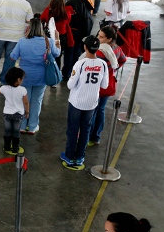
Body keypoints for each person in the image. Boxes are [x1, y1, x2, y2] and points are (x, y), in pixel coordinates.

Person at [60, 35, 108, 169]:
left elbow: (70, 85)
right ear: (97, 48)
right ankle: (80, 156)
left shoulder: (80, 63)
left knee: (73, 129)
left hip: (77, 102)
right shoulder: (103, 64)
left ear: (85, 47)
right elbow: (104, 85)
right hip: (92, 102)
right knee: (86, 130)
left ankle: (69, 156)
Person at [10, 18, 60, 135]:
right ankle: (32, 126)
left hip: (24, 77)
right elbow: (57, 53)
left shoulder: (22, 41)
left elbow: (13, 56)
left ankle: (22, 125)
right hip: (41, 77)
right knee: (37, 101)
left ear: (29, 28)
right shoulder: (48, 42)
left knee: (24, 100)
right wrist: (57, 40)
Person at [87, 26, 126, 146]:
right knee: (101, 110)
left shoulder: (99, 52)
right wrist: (112, 71)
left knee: (91, 112)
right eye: (98, 35)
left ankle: (87, 137)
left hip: (96, 85)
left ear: (109, 39)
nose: (98, 38)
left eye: (101, 37)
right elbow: (123, 60)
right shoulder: (117, 49)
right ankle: (96, 137)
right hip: (108, 85)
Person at [0, 0, 34, 85]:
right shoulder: (26, 4)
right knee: (10, 60)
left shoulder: (1, 0)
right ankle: (5, 81)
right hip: (15, 37)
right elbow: (29, 20)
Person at [0, 67, 29, 155]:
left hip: (7, 114)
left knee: (7, 130)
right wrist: (27, 112)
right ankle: (15, 148)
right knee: (16, 131)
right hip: (18, 114)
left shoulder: (4, 88)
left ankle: (6, 146)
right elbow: (26, 103)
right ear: (18, 80)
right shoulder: (23, 90)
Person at [40, 0, 74, 79]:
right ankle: (56, 75)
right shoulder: (67, 13)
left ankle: (50, 73)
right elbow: (68, 21)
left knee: (50, 55)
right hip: (62, 37)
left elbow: (42, 18)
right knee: (58, 56)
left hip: (50, 37)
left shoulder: (49, 11)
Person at [65, 0, 95, 74]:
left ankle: (66, 72)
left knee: (69, 51)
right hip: (84, 31)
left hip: (72, 31)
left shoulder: (71, 3)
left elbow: (66, 18)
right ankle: (75, 70)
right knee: (77, 51)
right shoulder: (89, 1)